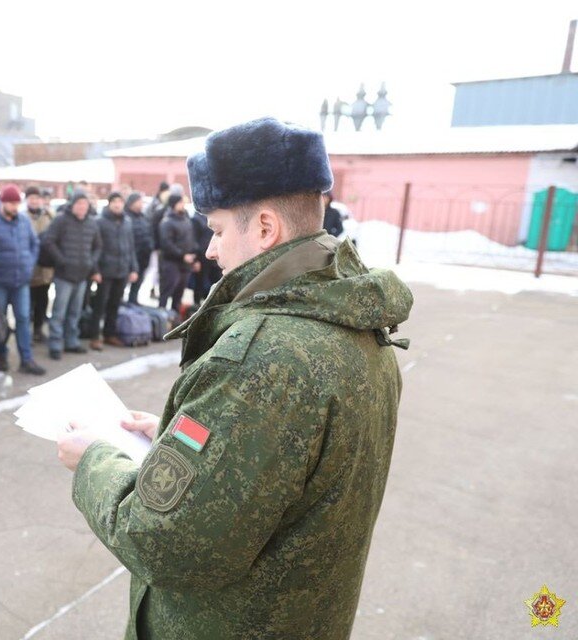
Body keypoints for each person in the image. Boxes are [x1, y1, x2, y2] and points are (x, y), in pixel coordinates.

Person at [57, 117, 413, 639]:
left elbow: (165, 544)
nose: (210, 250)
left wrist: (93, 460)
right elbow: (285, 461)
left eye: (219, 230)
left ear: (265, 228)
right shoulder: (355, 319)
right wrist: (182, 438)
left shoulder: (263, 359)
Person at [0, 185, 46, 375]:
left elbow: (34, 243)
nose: (14, 207)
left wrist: (29, 263)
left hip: (21, 281)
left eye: (16, 203)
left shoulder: (24, 221)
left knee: (23, 318)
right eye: (11, 203)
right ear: (2, 203)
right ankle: (1, 355)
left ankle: (26, 359)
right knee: (0, 320)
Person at [40, 192, 101, 361]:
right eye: (79, 203)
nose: (82, 207)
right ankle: (55, 343)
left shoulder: (91, 223)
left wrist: (91, 263)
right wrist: (61, 260)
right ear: (72, 205)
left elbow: (97, 246)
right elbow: (49, 241)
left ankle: (71, 341)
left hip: (82, 276)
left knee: (75, 312)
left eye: (85, 204)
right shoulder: (61, 220)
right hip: (64, 275)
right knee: (59, 312)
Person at [88, 192, 138, 349]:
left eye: (120, 202)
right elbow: (94, 247)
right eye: (114, 201)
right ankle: (94, 336)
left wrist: (133, 268)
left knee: (115, 304)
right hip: (105, 270)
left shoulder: (127, 222)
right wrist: (95, 270)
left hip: (122, 270)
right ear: (109, 203)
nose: (117, 204)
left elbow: (131, 247)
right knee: (100, 304)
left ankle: (110, 334)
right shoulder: (99, 221)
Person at [157, 193, 198, 311]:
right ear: (173, 204)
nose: (183, 204)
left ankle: (175, 316)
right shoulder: (167, 222)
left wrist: (194, 257)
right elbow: (166, 244)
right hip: (170, 262)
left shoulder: (186, 219)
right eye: (180, 202)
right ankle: (162, 316)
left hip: (186, 263)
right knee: (167, 290)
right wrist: (182, 255)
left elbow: (191, 239)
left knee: (179, 293)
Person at [25, 186, 54, 342]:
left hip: (45, 268)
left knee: (42, 301)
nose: (34, 201)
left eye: (37, 198)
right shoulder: (22, 217)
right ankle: (26, 332)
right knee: (27, 303)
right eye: (31, 198)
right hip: (28, 267)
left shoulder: (49, 216)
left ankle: (38, 329)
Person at [124, 192, 153, 304]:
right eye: (139, 201)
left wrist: (150, 245)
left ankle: (133, 302)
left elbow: (149, 233)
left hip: (143, 257)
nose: (141, 204)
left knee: (138, 283)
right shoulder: (126, 217)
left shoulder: (143, 217)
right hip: (131, 257)